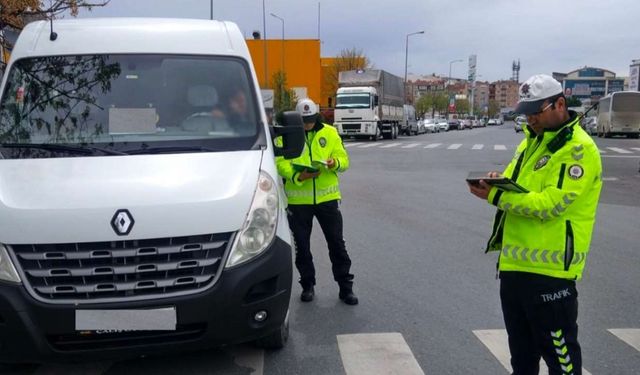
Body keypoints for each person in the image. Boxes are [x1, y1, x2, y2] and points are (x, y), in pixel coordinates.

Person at [468, 74, 602, 374]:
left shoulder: (578, 150)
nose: (530, 119)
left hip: (550, 273)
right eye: (525, 113)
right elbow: (518, 188)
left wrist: (496, 198)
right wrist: (497, 183)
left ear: (560, 104)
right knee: (522, 360)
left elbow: (550, 205)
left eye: (535, 112)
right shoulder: (531, 143)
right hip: (515, 268)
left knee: (561, 362)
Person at [275, 98, 357, 305]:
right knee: (302, 246)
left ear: (316, 116)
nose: (307, 124)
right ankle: (308, 285)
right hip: (298, 200)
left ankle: (345, 287)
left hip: (327, 199)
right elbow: (279, 162)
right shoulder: (285, 134)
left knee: (337, 244)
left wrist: (334, 163)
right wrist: (298, 177)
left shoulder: (329, 132)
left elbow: (344, 160)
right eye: (303, 121)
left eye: (310, 120)